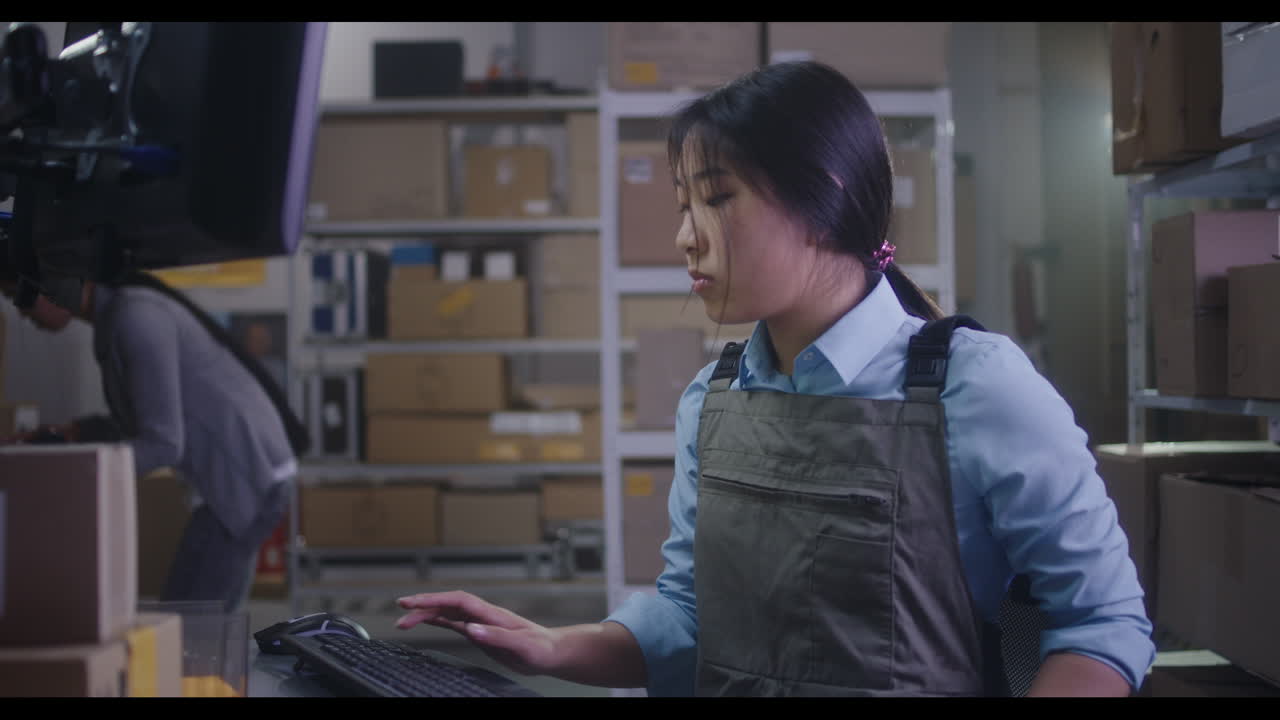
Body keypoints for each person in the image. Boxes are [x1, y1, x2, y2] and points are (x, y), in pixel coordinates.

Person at [393, 61, 1155, 697]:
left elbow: (1101, 622)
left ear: (822, 201)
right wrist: (553, 646)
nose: (685, 237)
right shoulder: (712, 401)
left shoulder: (974, 386)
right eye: (683, 203)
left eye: (718, 199)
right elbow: (691, 619)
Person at [0, 267, 309, 614]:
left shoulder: (136, 317)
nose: (23, 314)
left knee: (191, 631)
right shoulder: (119, 316)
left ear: (56, 282)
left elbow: (163, 445)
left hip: (245, 478)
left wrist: (73, 471)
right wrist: (76, 433)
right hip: (243, 475)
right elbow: (152, 422)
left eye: (21, 298)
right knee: (187, 620)